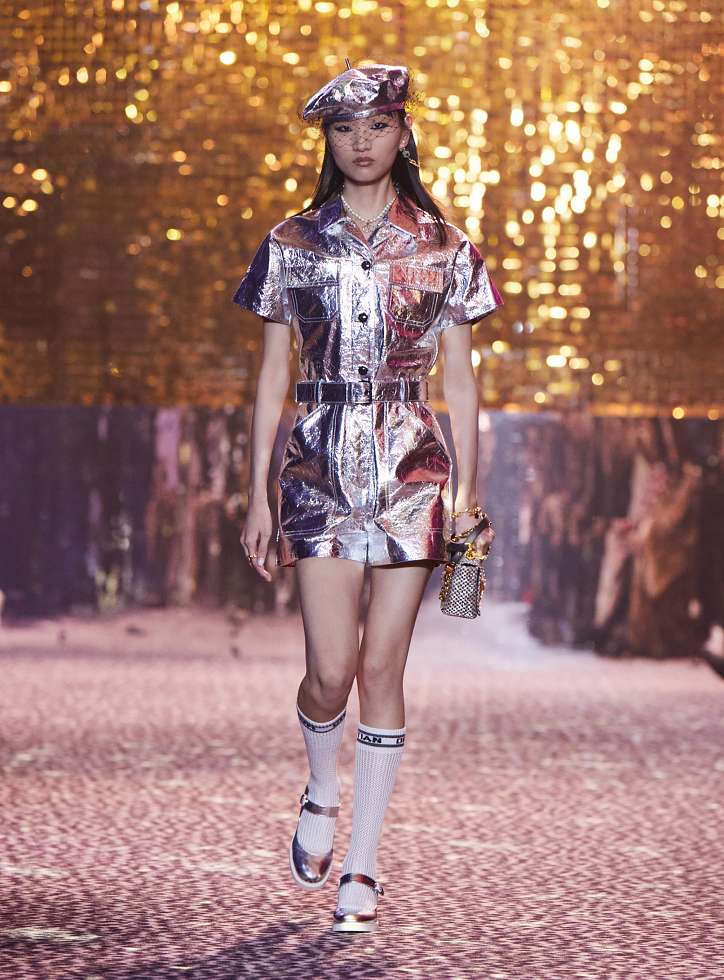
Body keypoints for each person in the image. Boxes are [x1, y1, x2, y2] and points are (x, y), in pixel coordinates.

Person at [233, 61, 502, 933]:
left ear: (402, 133)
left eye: (378, 126)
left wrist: (469, 494)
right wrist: (257, 494)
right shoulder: (291, 243)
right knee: (329, 673)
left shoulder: (446, 247)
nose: (361, 142)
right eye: (345, 129)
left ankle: (364, 861)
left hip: (412, 470)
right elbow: (270, 374)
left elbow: (461, 380)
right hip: (316, 464)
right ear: (328, 140)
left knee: (383, 668)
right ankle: (320, 788)